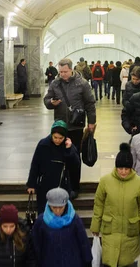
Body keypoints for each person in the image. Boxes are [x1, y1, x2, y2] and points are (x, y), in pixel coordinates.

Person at [90, 143, 140, 267]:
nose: (123, 172)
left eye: (126, 169)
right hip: (110, 231)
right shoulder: (105, 181)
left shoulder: (139, 183)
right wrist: (95, 226)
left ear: (131, 168)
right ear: (116, 167)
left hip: (131, 233)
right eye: (120, 168)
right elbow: (98, 205)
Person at [44, 58, 96, 200]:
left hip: (76, 126)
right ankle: (61, 184)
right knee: (59, 157)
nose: (62, 74)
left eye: (65, 71)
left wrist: (91, 122)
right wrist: (51, 102)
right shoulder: (55, 83)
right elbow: (46, 100)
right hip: (60, 126)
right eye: (60, 72)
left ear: (71, 69)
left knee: (74, 157)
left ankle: (74, 186)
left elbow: (90, 104)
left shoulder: (82, 84)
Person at [26, 120, 80, 212]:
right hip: (45, 185)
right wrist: (31, 184)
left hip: (63, 185)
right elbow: (35, 164)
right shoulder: (43, 145)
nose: (58, 140)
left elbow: (75, 166)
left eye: (61, 138)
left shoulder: (69, 147)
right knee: (44, 211)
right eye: (55, 137)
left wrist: (68, 150)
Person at [32, 188, 92, 267]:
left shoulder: (74, 220)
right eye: (54, 207)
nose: (57, 211)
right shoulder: (41, 221)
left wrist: (87, 261)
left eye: (61, 207)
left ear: (66, 205)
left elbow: (83, 243)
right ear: (49, 205)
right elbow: (36, 245)